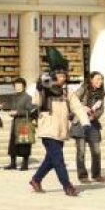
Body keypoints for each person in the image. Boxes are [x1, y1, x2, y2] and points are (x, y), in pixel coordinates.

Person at [29, 68, 90, 196]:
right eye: (58, 76)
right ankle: (67, 186)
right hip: (47, 129)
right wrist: (39, 89)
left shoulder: (67, 91)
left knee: (51, 160)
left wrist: (85, 123)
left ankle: (36, 179)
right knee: (58, 160)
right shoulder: (45, 89)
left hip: (61, 130)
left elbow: (77, 107)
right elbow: (36, 104)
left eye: (63, 76)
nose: (61, 78)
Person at [74, 71, 105, 183]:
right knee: (81, 151)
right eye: (97, 79)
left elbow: (101, 109)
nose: (100, 81)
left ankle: (96, 174)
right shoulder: (83, 89)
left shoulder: (101, 93)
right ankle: (82, 176)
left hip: (93, 124)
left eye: (101, 79)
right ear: (91, 79)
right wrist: (83, 108)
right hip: (80, 123)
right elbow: (73, 100)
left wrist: (94, 116)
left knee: (96, 151)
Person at [2, 77, 36, 171]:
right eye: (16, 86)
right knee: (13, 143)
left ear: (24, 86)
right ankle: (13, 163)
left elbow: (30, 111)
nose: (17, 87)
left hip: (24, 123)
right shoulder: (13, 97)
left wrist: (17, 112)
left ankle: (25, 164)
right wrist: (5, 108)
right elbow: (10, 107)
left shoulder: (28, 97)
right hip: (15, 123)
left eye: (19, 86)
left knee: (24, 144)